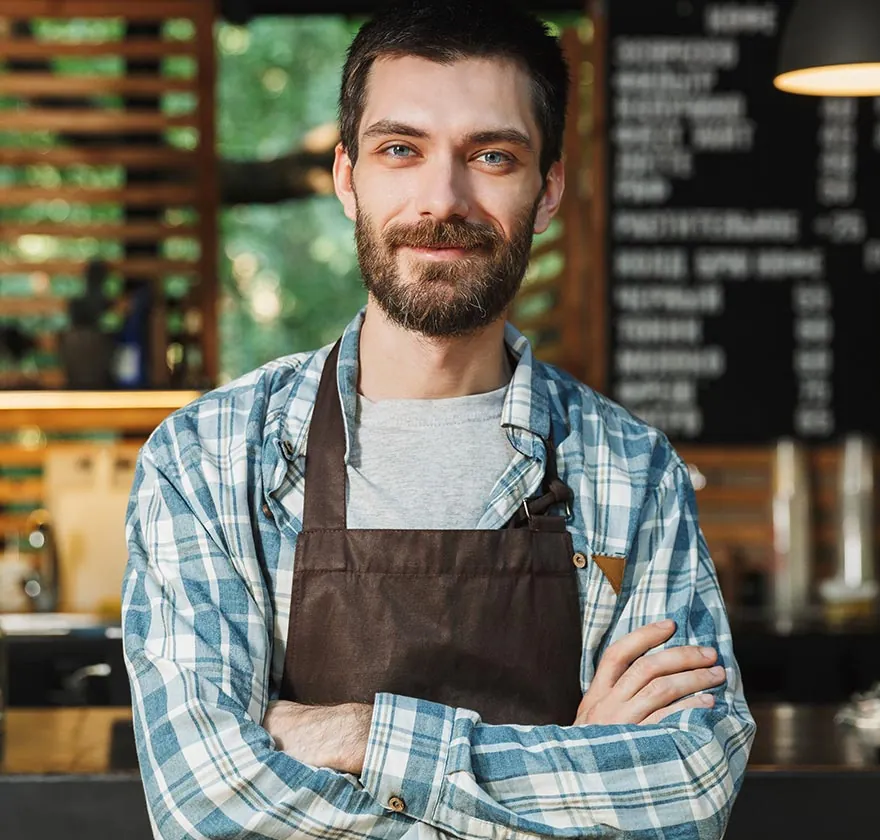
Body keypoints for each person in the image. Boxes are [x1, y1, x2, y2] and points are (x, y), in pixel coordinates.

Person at [121, 2, 755, 838]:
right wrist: (575, 755)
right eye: (400, 150)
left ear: (550, 186)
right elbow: (210, 809)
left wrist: (360, 736)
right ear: (348, 178)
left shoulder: (631, 473)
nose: (442, 198)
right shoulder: (207, 461)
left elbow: (686, 791)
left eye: (492, 156)